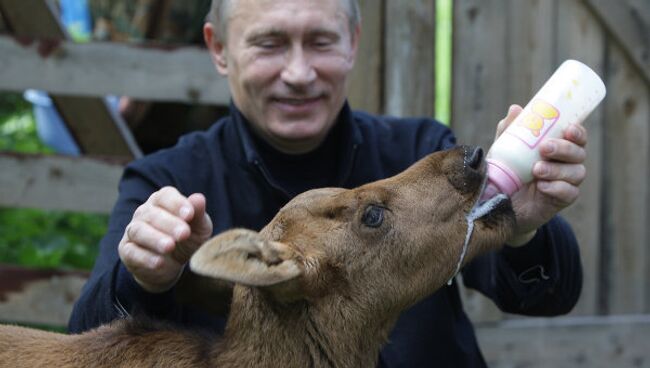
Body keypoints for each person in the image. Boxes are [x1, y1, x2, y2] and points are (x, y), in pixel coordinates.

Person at [69, 0, 585, 366]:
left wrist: (521, 226)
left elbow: (549, 297)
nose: (298, 72)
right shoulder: (169, 181)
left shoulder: (414, 149)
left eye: (319, 41)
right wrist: (142, 276)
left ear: (353, 42)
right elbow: (84, 341)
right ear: (219, 48)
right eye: (269, 43)